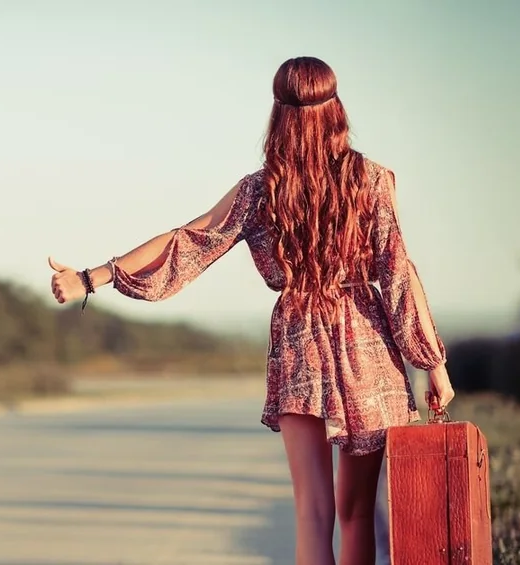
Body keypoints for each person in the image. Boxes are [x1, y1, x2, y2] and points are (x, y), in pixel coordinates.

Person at [47, 56, 456, 565]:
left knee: (312, 513)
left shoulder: (261, 189)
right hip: (366, 342)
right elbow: (398, 272)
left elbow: (186, 243)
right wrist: (432, 363)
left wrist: (92, 276)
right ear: (337, 110)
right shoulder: (371, 180)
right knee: (356, 515)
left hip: (298, 339)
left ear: (278, 116)